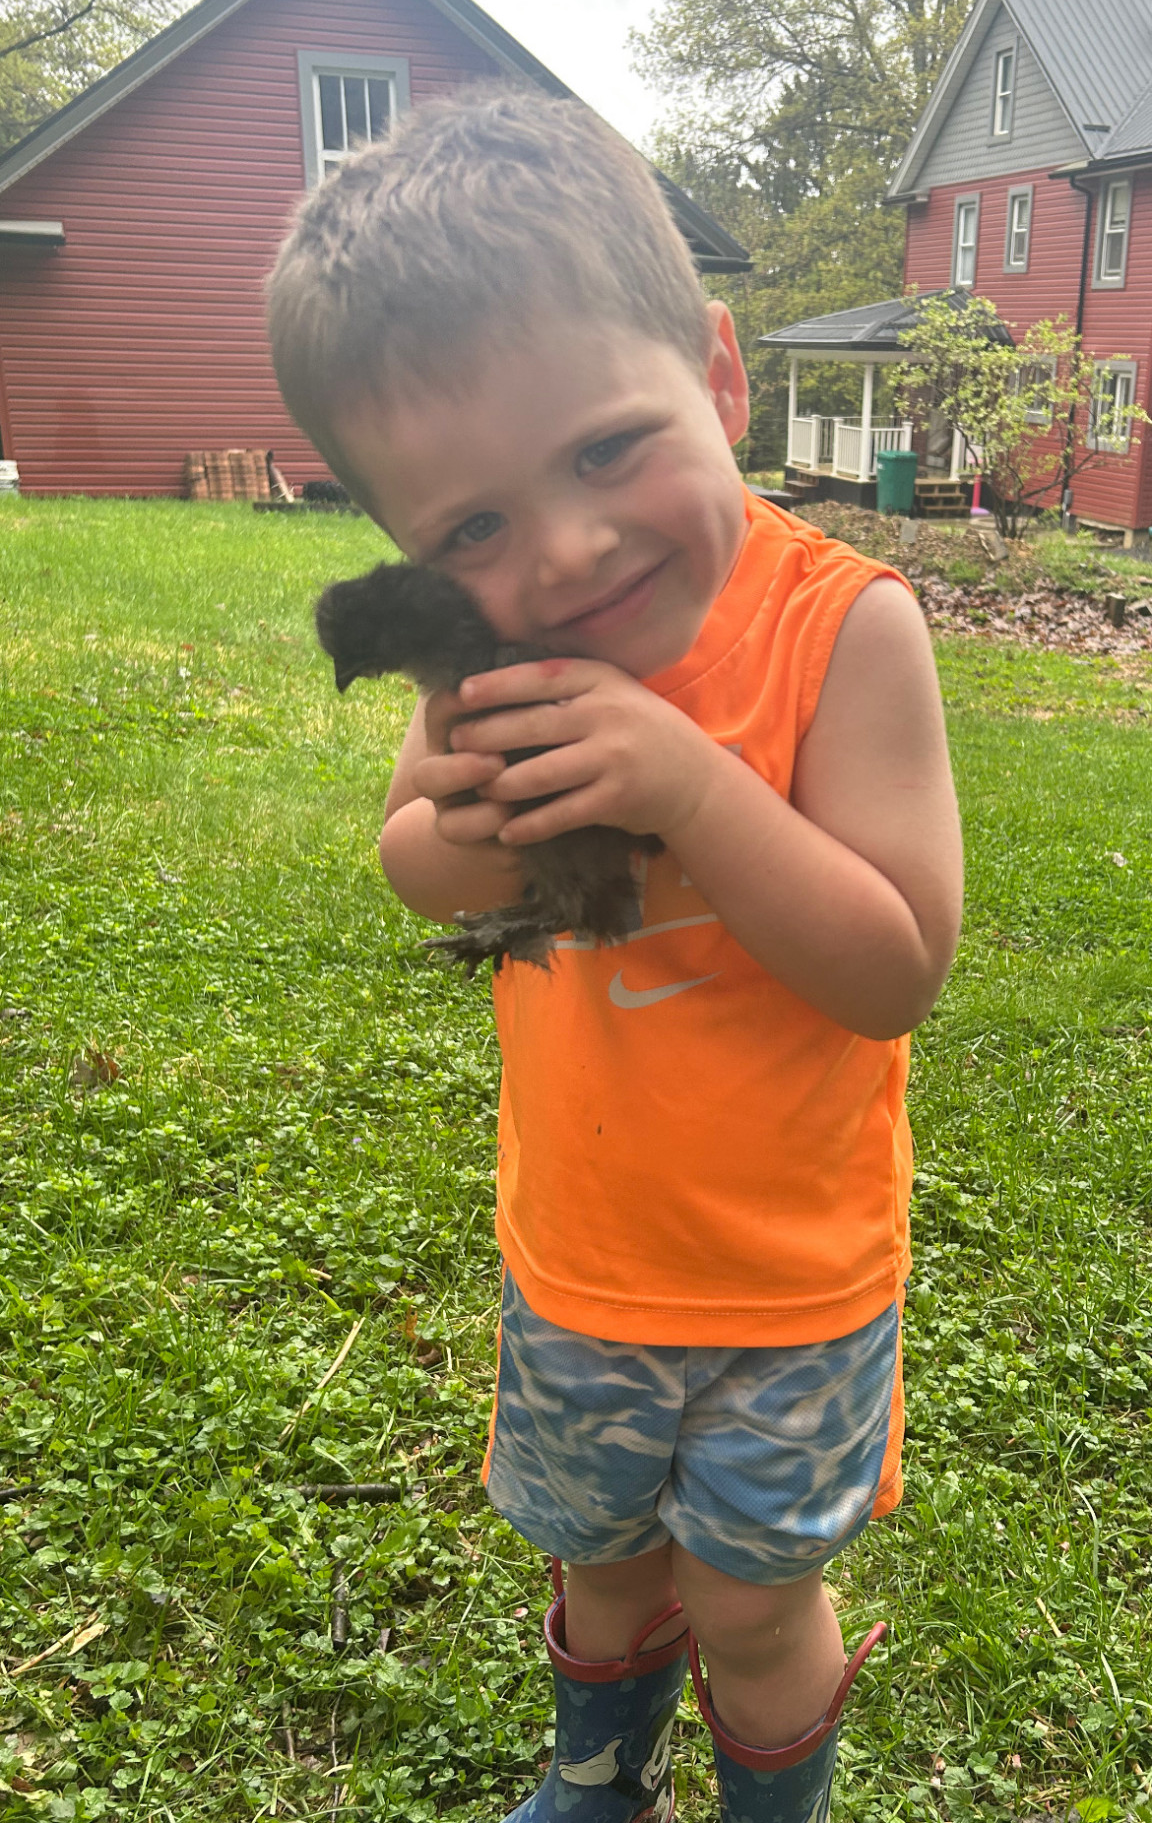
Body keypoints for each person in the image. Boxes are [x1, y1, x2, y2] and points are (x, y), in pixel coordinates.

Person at [266, 91, 964, 1823]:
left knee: (748, 1601)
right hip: (582, 1256)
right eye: (470, 533)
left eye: (602, 451)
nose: (564, 554)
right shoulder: (488, 671)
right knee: (597, 1565)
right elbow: (417, 863)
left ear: (720, 380)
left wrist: (689, 789)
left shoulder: (846, 629)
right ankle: (598, 1787)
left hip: (792, 1287)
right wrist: (473, 819)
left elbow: (894, 968)